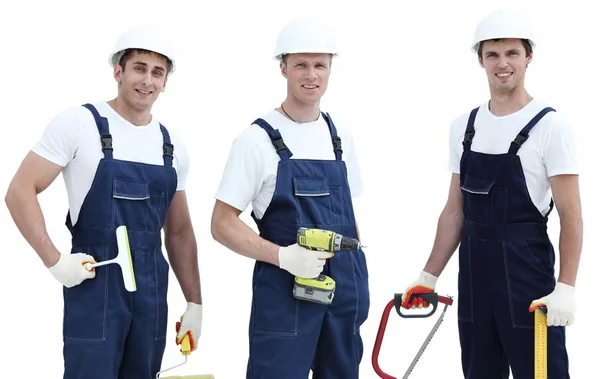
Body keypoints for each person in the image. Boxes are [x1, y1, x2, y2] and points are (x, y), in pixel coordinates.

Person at [4, 25, 203, 379]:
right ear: (118, 72)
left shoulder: (170, 145)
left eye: (158, 73)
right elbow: (20, 191)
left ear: (165, 82)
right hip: (97, 283)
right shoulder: (80, 124)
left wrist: (194, 302)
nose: (148, 81)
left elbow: (180, 232)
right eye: (139, 68)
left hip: (152, 289)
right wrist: (54, 261)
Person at [400, 9, 583, 379]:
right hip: (474, 272)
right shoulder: (464, 126)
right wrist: (428, 276)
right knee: (479, 371)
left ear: (528, 56)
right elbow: (455, 211)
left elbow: (571, 214)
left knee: (542, 373)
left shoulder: (551, 126)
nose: (503, 64)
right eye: (493, 54)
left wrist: (565, 286)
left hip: (526, 271)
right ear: (480, 59)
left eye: (512, 53)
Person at [210, 16, 369, 379]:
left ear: (330, 69)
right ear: (283, 67)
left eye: (319, 65)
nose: (310, 74)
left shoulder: (339, 136)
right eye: (300, 64)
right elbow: (220, 224)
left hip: (344, 288)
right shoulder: (256, 140)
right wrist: (282, 256)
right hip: (284, 292)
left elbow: (350, 216)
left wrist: (357, 277)